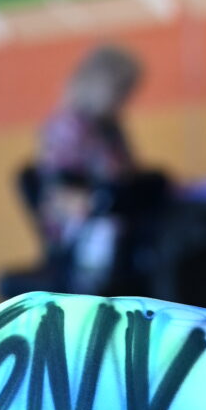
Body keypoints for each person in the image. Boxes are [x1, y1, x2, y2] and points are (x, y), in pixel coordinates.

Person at [12, 46, 167, 295]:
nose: (125, 100)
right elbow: (63, 196)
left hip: (117, 222)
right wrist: (104, 198)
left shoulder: (109, 127)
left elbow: (126, 178)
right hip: (81, 234)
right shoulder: (69, 127)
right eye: (122, 91)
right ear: (104, 86)